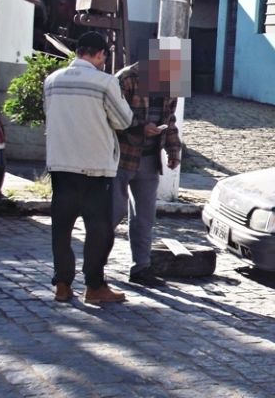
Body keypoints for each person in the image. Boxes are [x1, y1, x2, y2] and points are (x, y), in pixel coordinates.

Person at [44, 31, 134, 304]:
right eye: (104, 56)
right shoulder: (104, 82)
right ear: (99, 54)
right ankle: (94, 286)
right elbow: (123, 120)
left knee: (61, 228)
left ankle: (62, 284)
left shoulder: (52, 81)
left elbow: (50, 114)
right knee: (99, 230)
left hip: (60, 166)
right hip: (95, 168)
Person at [112, 39, 184, 287]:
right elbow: (113, 118)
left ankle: (141, 267)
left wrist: (173, 150)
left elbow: (170, 119)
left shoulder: (170, 83)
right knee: (113, 212)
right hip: (122, 157)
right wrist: (142, 128)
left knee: (144, 218)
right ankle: (95, 266)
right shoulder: (126, 79)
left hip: (150, 159)